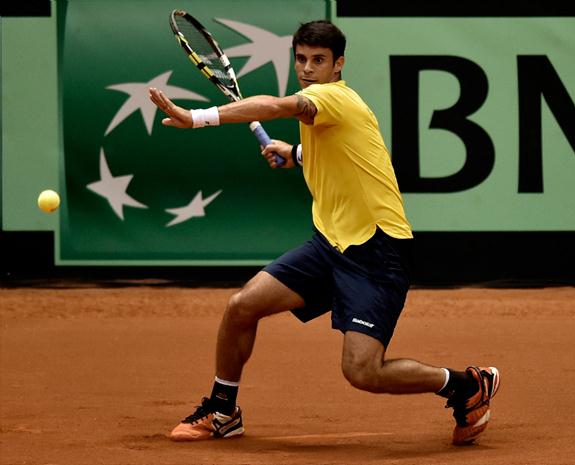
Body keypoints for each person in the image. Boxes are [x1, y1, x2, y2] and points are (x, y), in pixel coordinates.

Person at [148, 19, 499, 446]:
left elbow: (277, 107)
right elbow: (342, 152)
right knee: (241, 307)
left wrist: (196, 117)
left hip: (376, 251)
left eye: (319, 60)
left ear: (338, 65)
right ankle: (223, 411)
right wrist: (295, 152)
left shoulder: (331, 97)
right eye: (301, 59)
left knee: (362, 371)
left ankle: (464, 385)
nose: (308, 68)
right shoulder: (326, 108)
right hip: (329, 244)